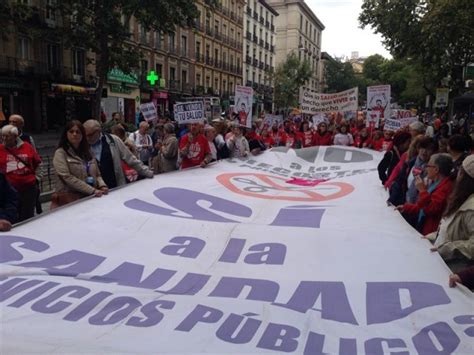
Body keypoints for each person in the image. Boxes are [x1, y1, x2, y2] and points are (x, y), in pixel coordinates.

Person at [427, 155, 474, 272]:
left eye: (460, 171)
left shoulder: (471, 208)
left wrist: (446, 249)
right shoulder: (461, 199)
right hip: (443, 263)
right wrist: (432, 237)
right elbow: (449, 229)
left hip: (453, 270)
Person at [52, 121, 108, 208]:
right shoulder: (60, 153)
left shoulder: (88, 152)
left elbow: (97, 174)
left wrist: (102, 185)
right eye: (71, 131)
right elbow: (67, 177)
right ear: (66, 134)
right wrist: (92, 190)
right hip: (70, 200)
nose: (74, 134)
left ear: (83, 135)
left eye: (78, 132)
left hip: (90, 198)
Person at [83, 119, 153, 188]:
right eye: (85, 135)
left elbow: (130, 159)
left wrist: (147, 172)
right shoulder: (82, 145)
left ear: (98, 131)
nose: (87, 138)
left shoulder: (113, 140)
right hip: (94, 190)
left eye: (90, 135)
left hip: (115, 186)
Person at [396, 153, 454, 235]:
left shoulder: (446, 187)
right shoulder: (436, 183)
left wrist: (422, 190)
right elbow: (423, 206)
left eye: (428, 166)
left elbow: (430, 209)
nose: (426, 169)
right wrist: (407, 207)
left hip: (430, 231)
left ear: (436, 169)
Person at [0, 124, 41, 222]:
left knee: (27, 218)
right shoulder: (0, 149)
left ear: (15, 136)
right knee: (12, 217)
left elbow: (37, 163)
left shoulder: (27, 146)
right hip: (9, 190)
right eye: (3, 136)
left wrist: (38, 177)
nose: (4, 138)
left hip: (28, 189)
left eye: (7, 136)